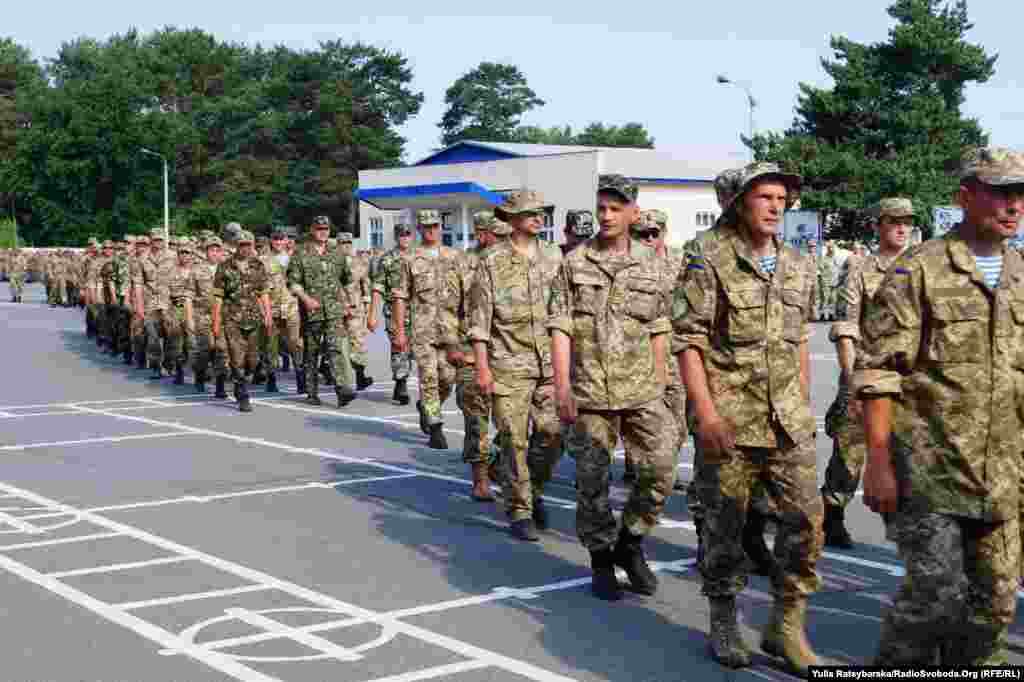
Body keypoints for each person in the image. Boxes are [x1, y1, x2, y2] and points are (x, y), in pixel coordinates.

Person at [857, 147, 1024, 666]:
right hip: (930, 469)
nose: (1014, 205)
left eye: (1020, 194)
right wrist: (878, 463)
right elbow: (880, 371)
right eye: (1000, 192)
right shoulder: (920, 270)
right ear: (965, 197)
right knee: (934, 596)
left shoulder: (1021, 272)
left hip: (1003, 471)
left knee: (994, 605)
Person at [675, 162, 821, 673]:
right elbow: (689, 339)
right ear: (740, 202)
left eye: (782, 198)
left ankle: (786, 626)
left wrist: (801, 400)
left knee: (806, 519)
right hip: (730, 420)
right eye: (765, 197)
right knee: (725, 526)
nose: (776, 206)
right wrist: (706, 413)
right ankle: (723, 619)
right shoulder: (706, 256)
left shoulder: (799, 263)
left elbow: (799, 337)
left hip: (788, 421)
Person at [550, 175, 677, 597]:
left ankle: (631, 541)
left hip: (641, 389)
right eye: (602, 207)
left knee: (660, 469)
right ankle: (602, 559)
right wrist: (562, 386)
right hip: (589, 392)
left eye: (616, 208)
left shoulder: (652, 263)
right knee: (592, 483)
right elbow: (561, 327)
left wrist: (659, 380)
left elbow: (660, 325)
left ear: (633, 214)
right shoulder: (574, 262)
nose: (606, 215)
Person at [469, 191, 563, 540]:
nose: (538, 218)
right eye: (530, 213)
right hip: (508, 362)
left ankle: (532, 486)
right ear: (511, 219)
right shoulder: (491, 261)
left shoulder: (554, 257)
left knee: (553, 434)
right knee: (514, 438)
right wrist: (482, 368)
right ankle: (520, 508)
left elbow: (565, 311)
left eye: (541, 212)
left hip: (551, 364)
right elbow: (480, 319)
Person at [821, 198, 913, 548]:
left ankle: (906, 528)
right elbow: (847, 327)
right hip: (868, 372)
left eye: (907, 222)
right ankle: (833, 510)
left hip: (907, 378)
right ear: (879, 225)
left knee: (908, 455)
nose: (902, 228)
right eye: (894, 222)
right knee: (850, 452)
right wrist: (851, 380)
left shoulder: (920, 265)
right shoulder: (860, 268)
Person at [444, 211, 500, 501]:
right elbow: (447, 307)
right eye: (496, 234)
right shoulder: (463, 264)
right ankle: (480, 478)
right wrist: (452, 345)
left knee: (519, 419)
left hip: (508, 353)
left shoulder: (512, 261)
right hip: (468, 350)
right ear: (481, 234)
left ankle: (498, 463)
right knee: (476, 416)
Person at [393, 210, 461, 449]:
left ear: (440, 227)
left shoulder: (455, 257)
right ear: (419, 229)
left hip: (451, 330)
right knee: (429, 378)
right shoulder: (410, 259)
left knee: (448, 378)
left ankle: (427, 406)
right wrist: (400, 331)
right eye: (426, 226)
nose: (430, 230)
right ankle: (435, 426)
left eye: (434, 226)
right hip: (423, 330)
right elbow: (401, 296)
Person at [635, 209, 688, 493]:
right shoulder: (628, 262)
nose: (649, 239)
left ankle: (666, 467)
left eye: (654, 233)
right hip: (638, 351)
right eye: (642, 234)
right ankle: (641, 469)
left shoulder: (681, 261)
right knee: (642, 418)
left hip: (674, 351)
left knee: (677, 419)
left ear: (664, 233)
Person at [286, 216, 356, 408]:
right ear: (312, 230)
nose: (323, 232)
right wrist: (306, 300)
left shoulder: (337, 252)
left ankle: (342, 388)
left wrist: (351, 304)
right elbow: (293, 282)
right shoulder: (301, 253)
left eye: (325, 228)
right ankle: (311, 391)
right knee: (312, 352)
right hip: (312, 310)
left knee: (335, 348)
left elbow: (347, 280)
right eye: (319, 229)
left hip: (334, 310)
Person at [212, 230, 272, 413]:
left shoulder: (258, 265)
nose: (246, 248)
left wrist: (268, 315)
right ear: (235, 246)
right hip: (232, 319)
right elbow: (218, 297)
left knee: (252, 361)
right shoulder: (224, 267)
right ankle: (243, 394)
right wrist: (216, 321)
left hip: (253, 318)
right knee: (237, 357)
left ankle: (243, 379)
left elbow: (263, 292)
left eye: (249, 245)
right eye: (242, 245)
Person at [261, 227, 304, 394]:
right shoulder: (263, 260)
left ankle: (301, 378)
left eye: (282, 239)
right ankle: (271, 379)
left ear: (287, 241)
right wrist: (264, 311)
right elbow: (259, 287)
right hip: (272, 307)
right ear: (271, 241)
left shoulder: (296, 259)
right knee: (270, 344)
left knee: (296, 343)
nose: (279, 242)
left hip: (292, 306)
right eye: (275, 239)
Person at [189, 235, 229, 396]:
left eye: (217, 250)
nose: (214, 253)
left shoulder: (228, 269)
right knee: (204, 350)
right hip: (203, 315)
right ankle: (199, 377)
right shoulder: (197, 270)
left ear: (222, 252)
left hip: (224, 316)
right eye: (211, 250)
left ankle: (220, 385)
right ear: (206, 252)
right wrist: (190, 318)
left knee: (222, 350)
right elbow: (189, 295)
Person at [338, 231, 374, 391]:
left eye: (348, 243)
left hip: (355, 308)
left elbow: (365, 284)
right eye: (342, 243)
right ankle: (336, 377)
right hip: (337, 309)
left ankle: (360, 376)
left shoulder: (359, 262)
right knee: (337, 344)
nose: (345, 246)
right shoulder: (331, 262)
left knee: (358, 342)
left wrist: (367, 305)